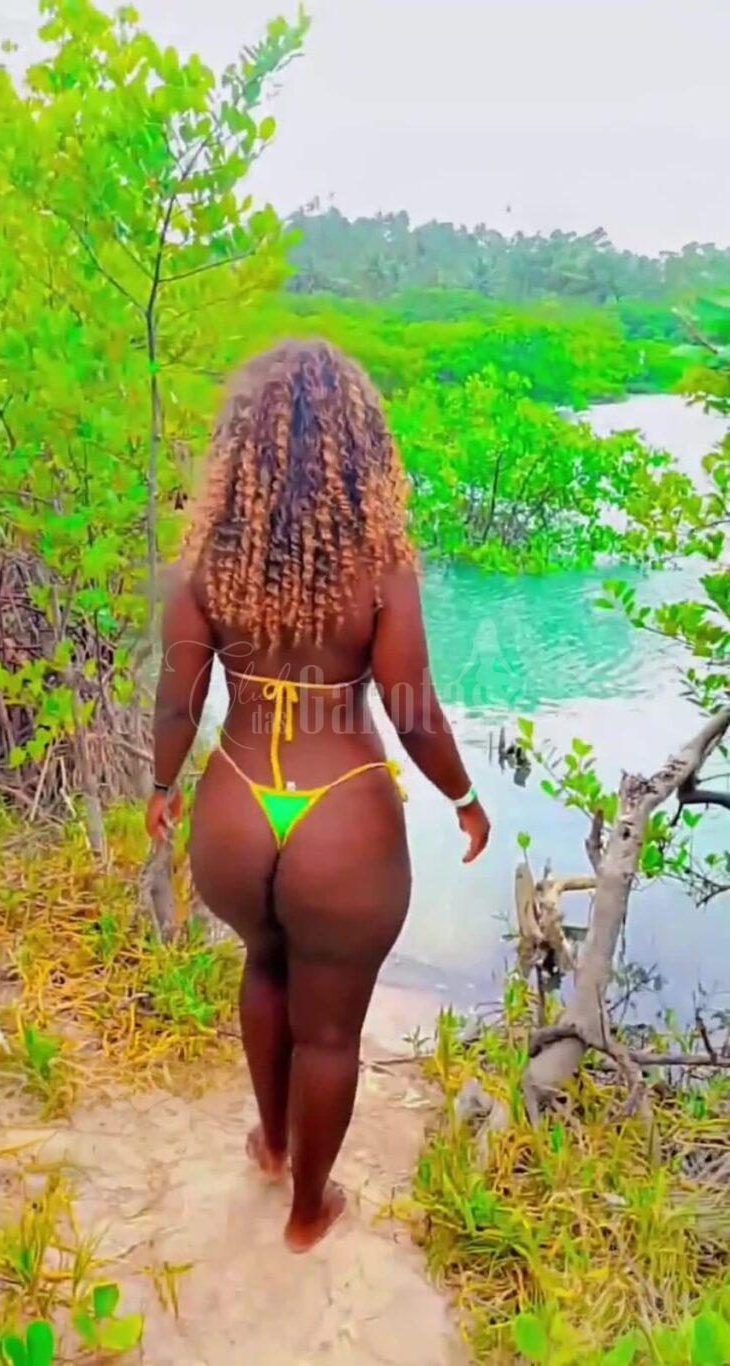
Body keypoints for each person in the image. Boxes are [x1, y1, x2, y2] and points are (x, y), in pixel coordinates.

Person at [146, 340, 490, 1253]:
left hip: (235, 806)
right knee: (330, 1032)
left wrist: (161, 786)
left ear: (242, 446)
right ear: (360, 445)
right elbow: (413, 709)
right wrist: (463, 796)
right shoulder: (381, 565)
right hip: (341, 811)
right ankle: (308, 1212)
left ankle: (271, 1144)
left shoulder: (205, 563)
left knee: (264, 965)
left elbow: (178, 701)